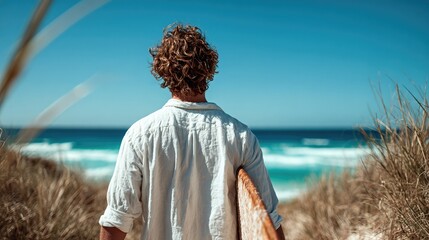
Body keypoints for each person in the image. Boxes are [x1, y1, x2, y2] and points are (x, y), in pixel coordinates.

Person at [99, 24, 285, 240]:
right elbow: (267, 219)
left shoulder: (140, 135)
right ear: (208, 70)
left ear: (163, 72)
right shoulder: (241, 137)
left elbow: (117, 220)